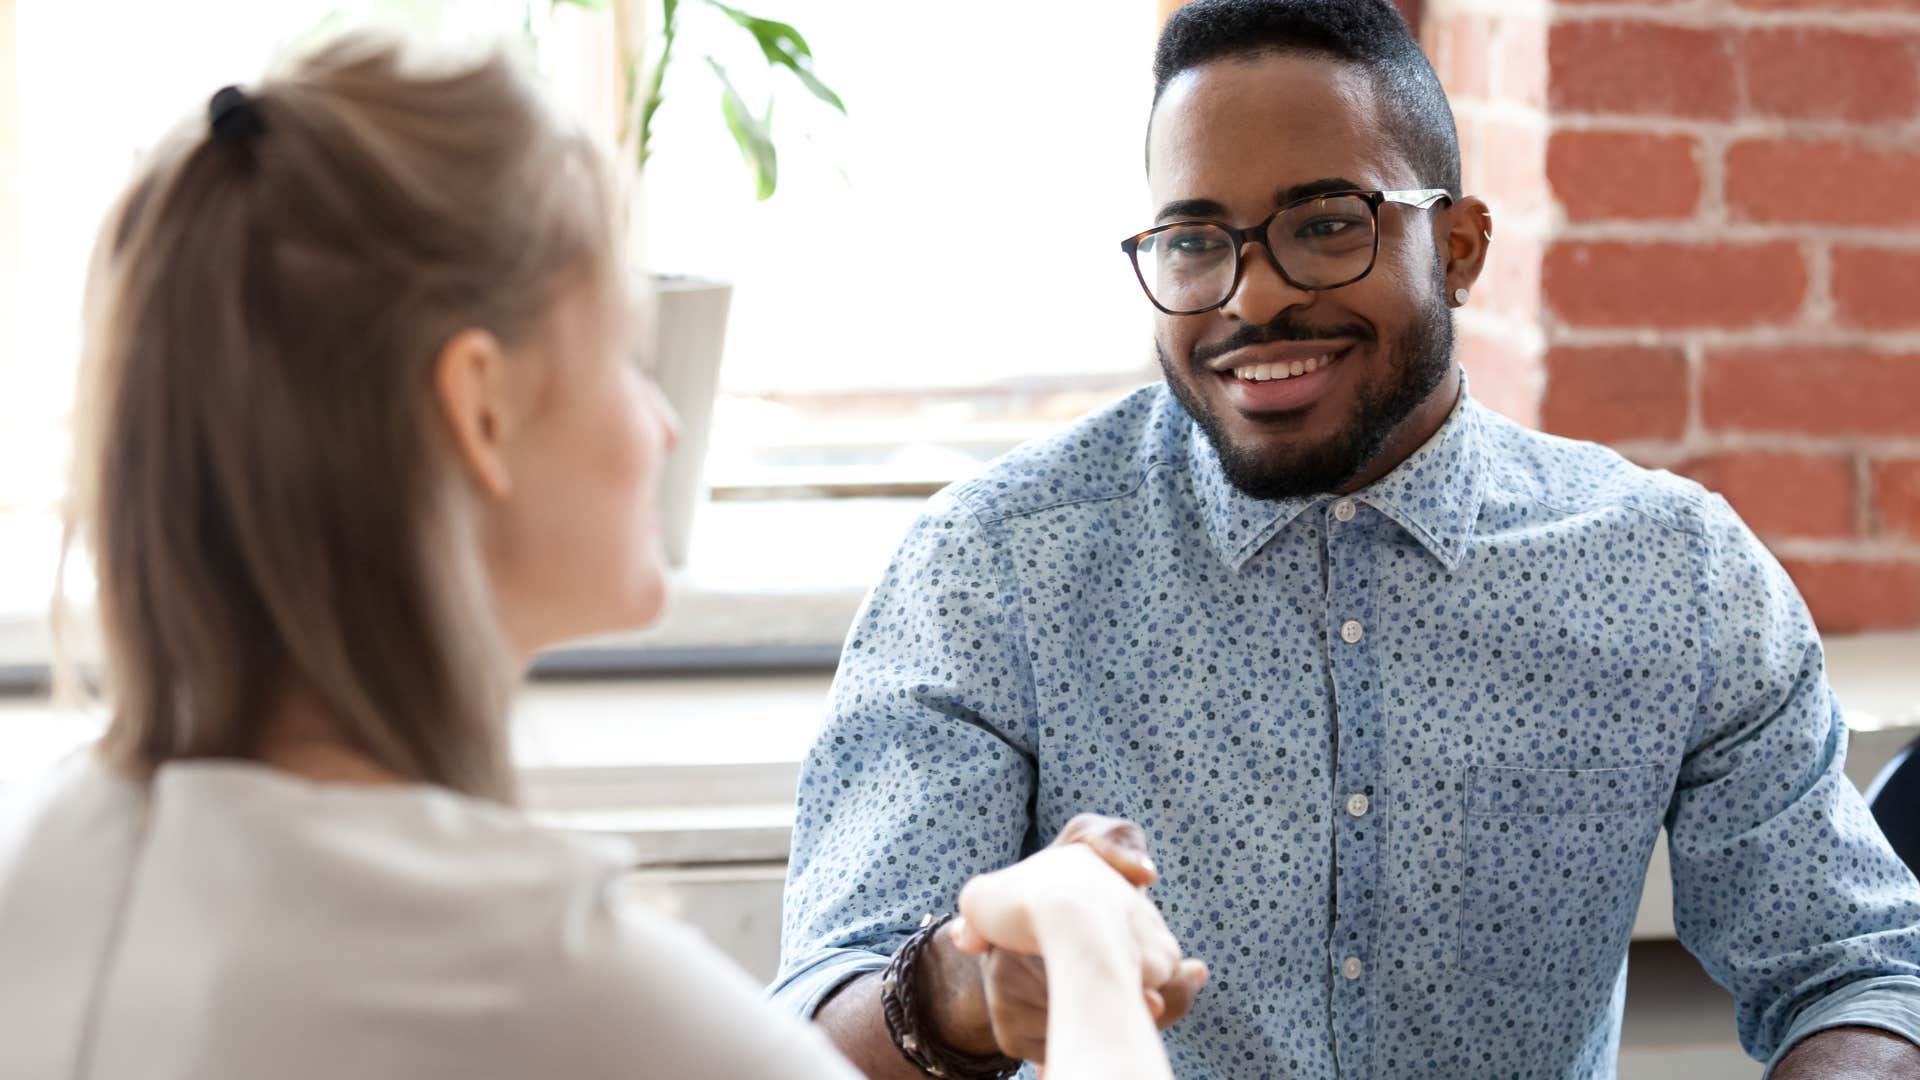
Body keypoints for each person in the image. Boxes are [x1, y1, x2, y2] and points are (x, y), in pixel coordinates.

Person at [0, 31, 1184, 1080]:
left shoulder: (52, 859)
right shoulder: (542, 986)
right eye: (624, 350)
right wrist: (1084, 944)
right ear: (482, 410)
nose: (662, 422)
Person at [773, 2, 1920, 1077]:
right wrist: (968, 993)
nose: (1252, 297)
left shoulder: (1675, 574)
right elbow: (813, 1023)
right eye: (1193, 241)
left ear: (1461, 247)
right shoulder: (996, 565)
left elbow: (1853, 965)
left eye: (1325, 227)